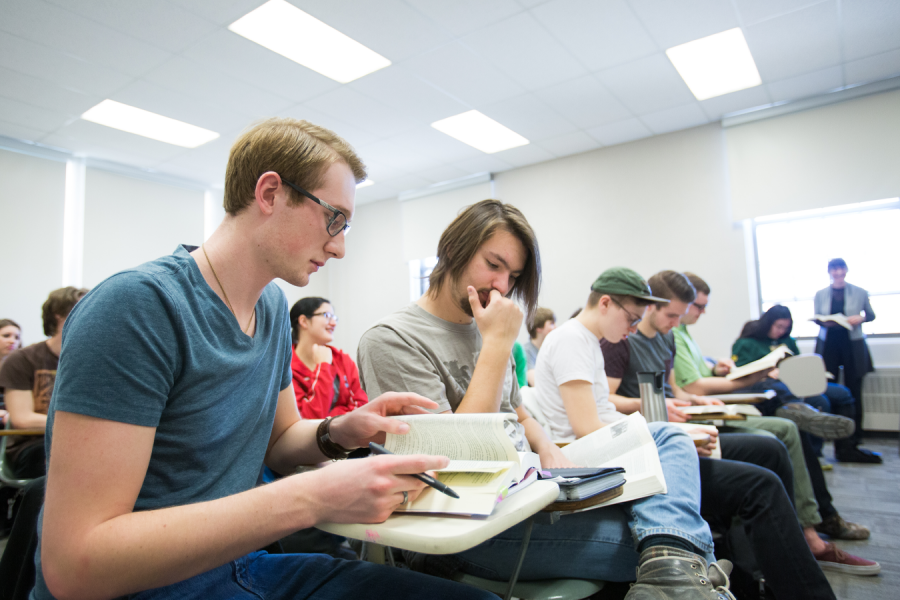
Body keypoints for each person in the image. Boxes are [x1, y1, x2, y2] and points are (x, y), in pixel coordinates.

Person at [35, 118, 495, 600]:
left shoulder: (271, 307)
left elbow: (278, 440)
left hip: (238, 568)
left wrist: (341, 430)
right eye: (333, 219)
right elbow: (75, 564)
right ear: (271, 193)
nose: (339, 246)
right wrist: (311, 498)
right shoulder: (138, 307)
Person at [358, 201, 736, 600]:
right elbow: (454, 462)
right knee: (677, 542)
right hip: (476, 525)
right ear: (453, 249)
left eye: (514, 275)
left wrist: (548, 449)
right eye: (493, 264)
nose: (502, 286)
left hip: (535, 490)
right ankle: (685, 570)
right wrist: (498, 344)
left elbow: (518, 412)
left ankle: (674, 571)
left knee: (669, 441)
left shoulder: (484, 326)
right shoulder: (392, 340)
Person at [532, 266, 838, 599]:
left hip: (617, 448)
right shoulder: (572, 340)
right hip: (602, 461)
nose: (633, 327)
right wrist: (664, 437)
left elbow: (600, 415)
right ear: (605, 303)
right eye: (632, 319)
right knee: (760, 482)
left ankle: (761, 573)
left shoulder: (587, 340)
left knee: (765, 455)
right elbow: (587, 429)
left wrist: (666, 430)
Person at [604, 271, 878, 575]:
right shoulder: (621, 342)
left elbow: (678, 390)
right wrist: (667, 402)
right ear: (651, 306)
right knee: (773, 449)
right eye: (672, 314)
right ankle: (797, 543)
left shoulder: (667, 337)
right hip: (665, 428)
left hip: (684, 418)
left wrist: (694, 401)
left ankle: (803, 535)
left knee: (777, 443)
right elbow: (609, 400)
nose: (677, 322)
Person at [676, 274, 874, 542]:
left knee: (795, 422)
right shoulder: (673, 335)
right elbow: (692, 387)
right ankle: (814, 523)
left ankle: (819, 518)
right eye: (698, 306)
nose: (701, 312)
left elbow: (694, 378)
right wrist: (747, 377)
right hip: (712, 405)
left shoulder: (683, 334)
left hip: (719, 397)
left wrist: (715, 367)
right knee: (782, 422)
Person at [734, 304, 878, 464]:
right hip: (773, 385)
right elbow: (741, 371)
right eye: (778, 326)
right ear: (768, 323)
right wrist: (766, 372)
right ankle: (813, 455)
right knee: (820, 400)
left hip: (796, 381)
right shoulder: (747, 342)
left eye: (785, 328)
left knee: (842, 393)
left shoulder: (787, 340)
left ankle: (846, 449)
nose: (781, 331)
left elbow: (798, 363)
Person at [0, 288, 86, 479]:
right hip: (32, 444)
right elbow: (22, 419)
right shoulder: (22, 360)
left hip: (79, 439)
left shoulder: (92, 360)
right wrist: (82, 425)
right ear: (59, 315)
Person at [814, 258, 880, 463]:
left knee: (853, 390)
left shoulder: (859, 292)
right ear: (829, 272)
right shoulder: (821, 294)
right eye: (834, 269)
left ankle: (855, 436)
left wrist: (860, 318)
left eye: (840, 268)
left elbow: (871, 315)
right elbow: (818, 317)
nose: (837, 272)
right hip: (829, 343)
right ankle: (832, 434)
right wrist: (824, 321)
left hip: (852, 344)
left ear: (845, 270)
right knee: (828, 389)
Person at [289, 297, 368, 419]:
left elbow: (361, 407)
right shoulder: (284, 367)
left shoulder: (342, 360)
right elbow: (306, 418)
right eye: (326, 315)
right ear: (303, 321)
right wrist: (323, 367)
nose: (334, 323)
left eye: (334, 317)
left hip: (344, 437)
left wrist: (329, 418)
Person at [524, 306, 555, 386]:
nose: (556, 327)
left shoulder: (550, 351)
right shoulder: (527, 351)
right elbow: (535, 382)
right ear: (538, 327)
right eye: (551, 323)